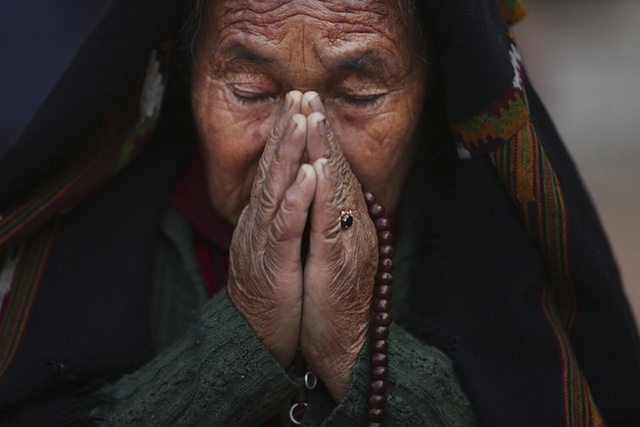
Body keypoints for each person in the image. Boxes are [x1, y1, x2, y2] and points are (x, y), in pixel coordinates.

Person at [0, 0, 638, 426]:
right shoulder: (80, 258)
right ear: (185, 76)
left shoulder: (498, 274)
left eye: (359, 96)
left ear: (431, 95)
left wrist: (360, 354)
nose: (304, 144)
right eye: (249, 92)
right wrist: (235, 350)